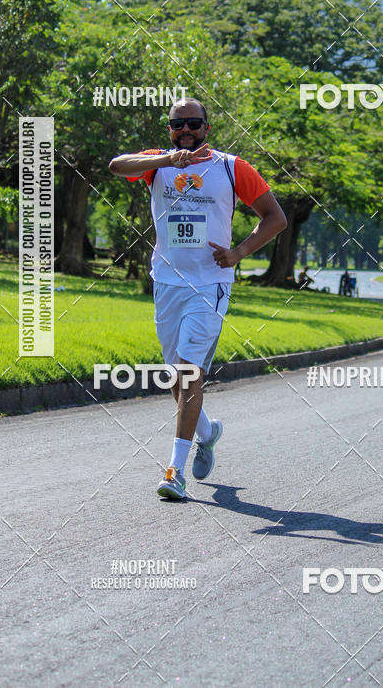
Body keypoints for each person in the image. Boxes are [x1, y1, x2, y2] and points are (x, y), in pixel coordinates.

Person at [109, 98, 287, 500]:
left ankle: (174, 471)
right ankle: (208, 433)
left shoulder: (231, 167)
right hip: (167, 283)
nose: (185, 130)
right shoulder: (157, 163)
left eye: (193, 123)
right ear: (169, 129)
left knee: (189, 372)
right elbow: (116, 166)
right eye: (178, 125)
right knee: (176, 377)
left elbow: (275, 217)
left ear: (207, 127)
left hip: (210, 285)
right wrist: (168, 162)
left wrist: (239, 253)